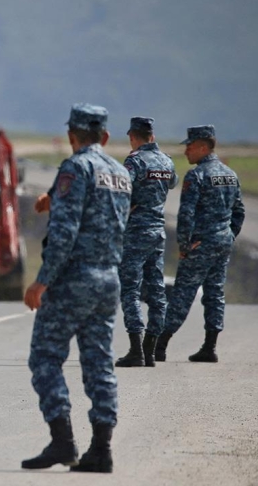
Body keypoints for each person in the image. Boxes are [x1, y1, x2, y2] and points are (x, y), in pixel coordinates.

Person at [21, 103, 130, 474]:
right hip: (108, 279)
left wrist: (42, 281)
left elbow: (65, 234)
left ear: (71, 136)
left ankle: (63, 441)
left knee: (45, 357)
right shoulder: (119, 173)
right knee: (100, 363)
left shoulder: (75, 167)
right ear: (105, 137)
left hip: (73, 280)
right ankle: (102, 449)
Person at [155, 125, 244, 363]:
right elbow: (239, 212)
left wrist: (184, 246)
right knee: (215, 293)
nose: (186, 151)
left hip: (201, 244)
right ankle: (210, 346)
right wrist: (228, 235)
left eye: (190, 146)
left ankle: (160, 345)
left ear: (204, 147)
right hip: (222, 243)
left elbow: (186, 215)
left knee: (183, 293)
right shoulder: (230, 174)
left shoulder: (197, 176)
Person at [115, 117, 178, 368]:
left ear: (132, 136)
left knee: (130, 289)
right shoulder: (167, 161)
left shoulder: (135, 161)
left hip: (136, 232)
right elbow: (171, 182)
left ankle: (135, 350)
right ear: (152, 136)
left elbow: (121, 190)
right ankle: (150, 350)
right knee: (156, 291)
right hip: (157, 232)